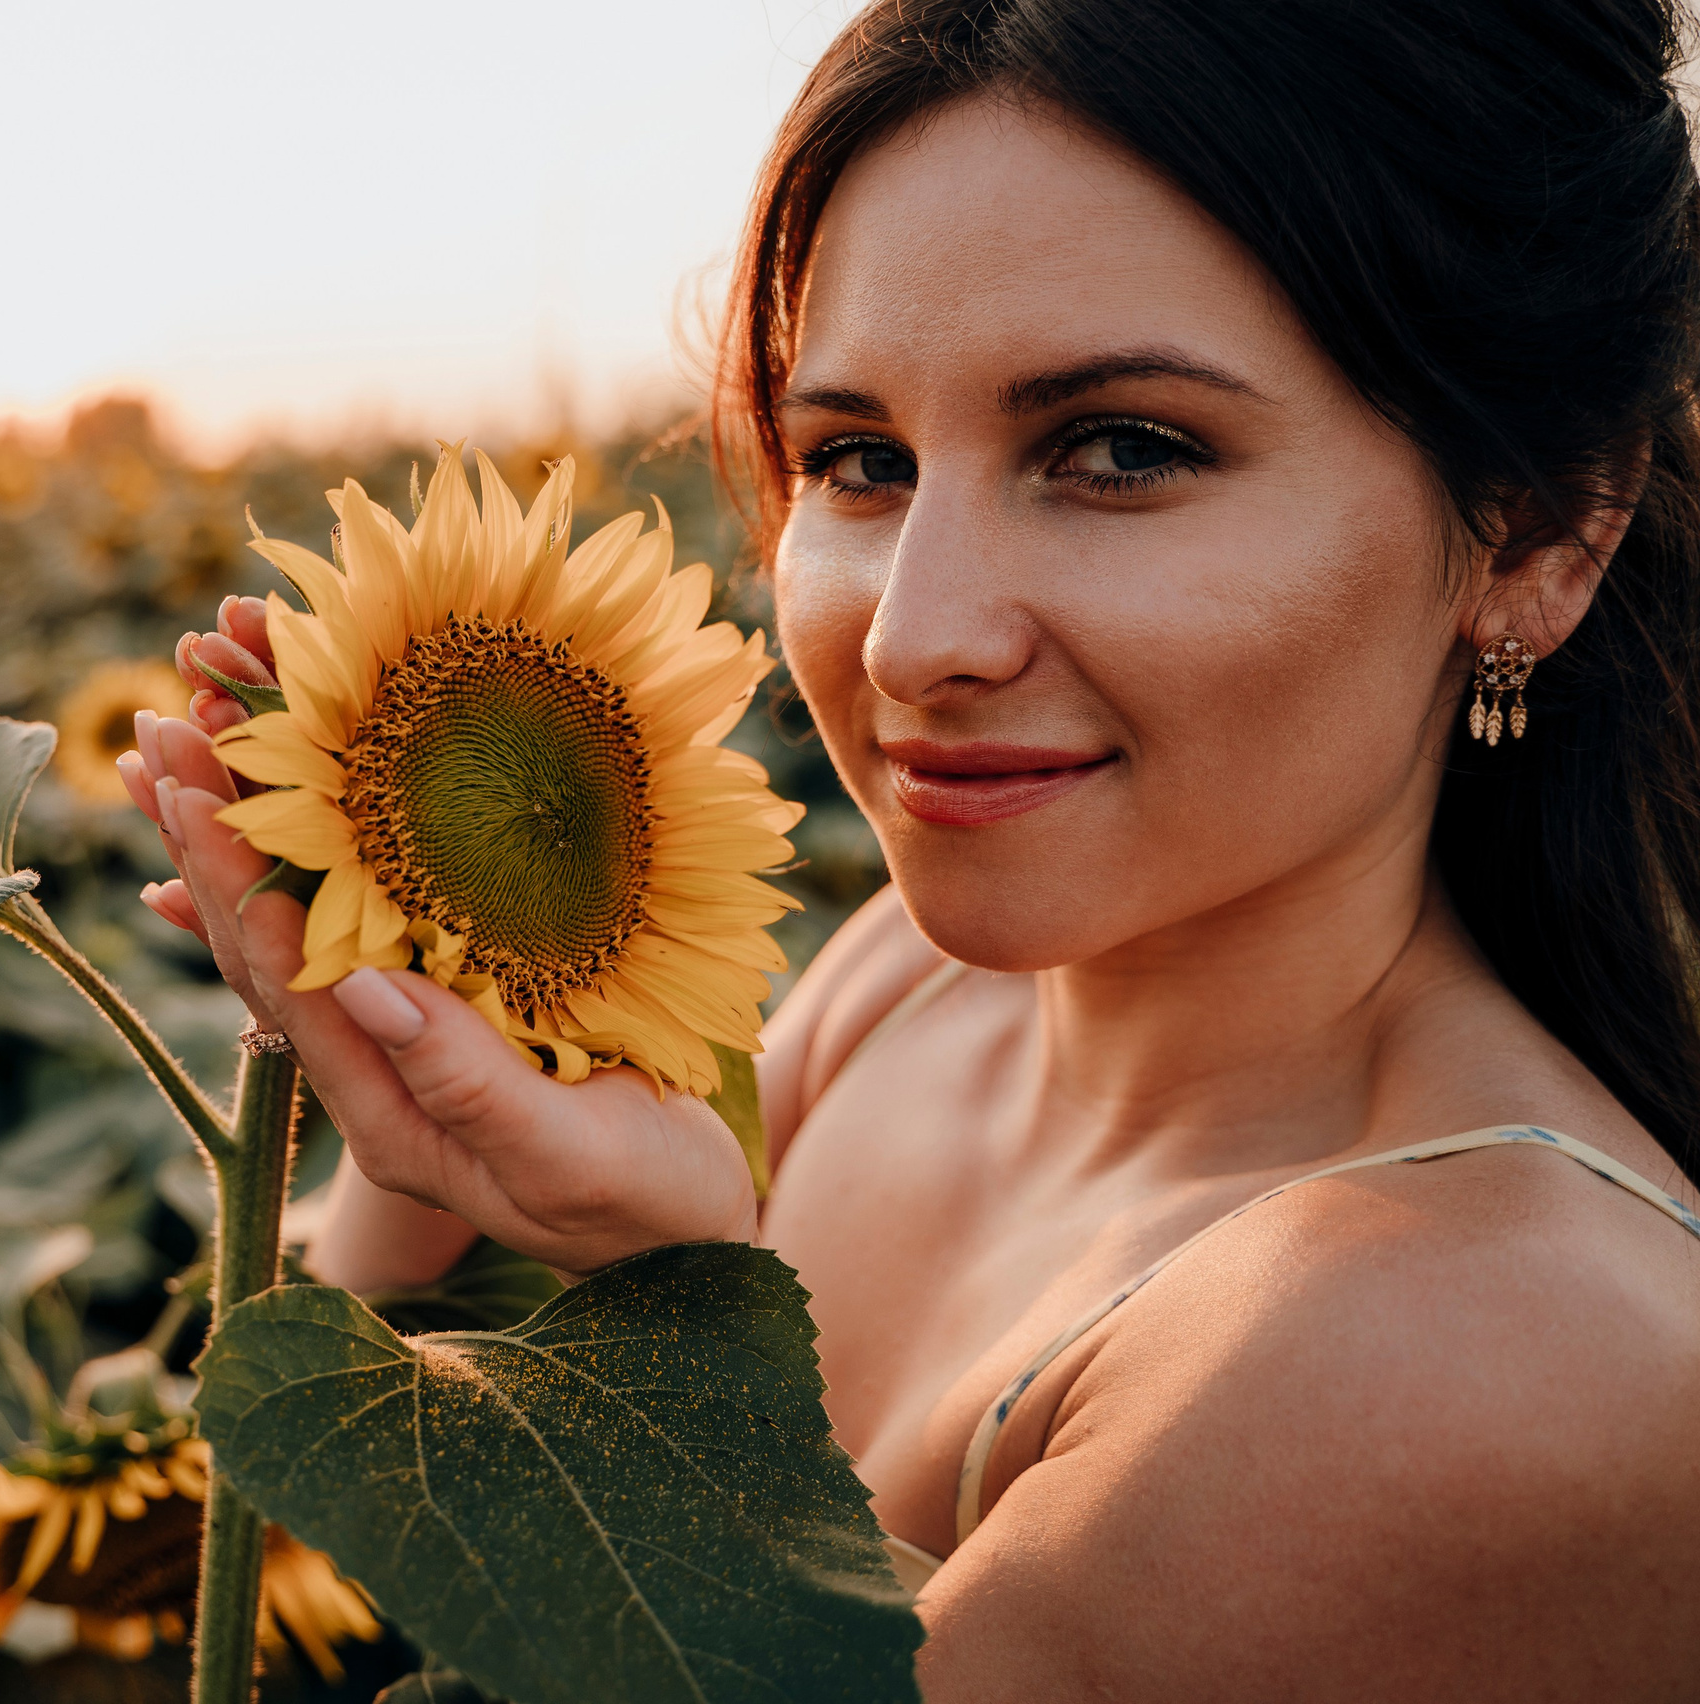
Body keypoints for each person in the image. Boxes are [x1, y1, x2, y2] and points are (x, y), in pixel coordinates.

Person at [120, 1, 1700, 1694]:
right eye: (858, 461)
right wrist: (406, 1070)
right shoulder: (908, 987)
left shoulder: (1497, 1350)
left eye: (1122, 451)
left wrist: (662, 1302)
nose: (906, 641)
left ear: (1538, 531)